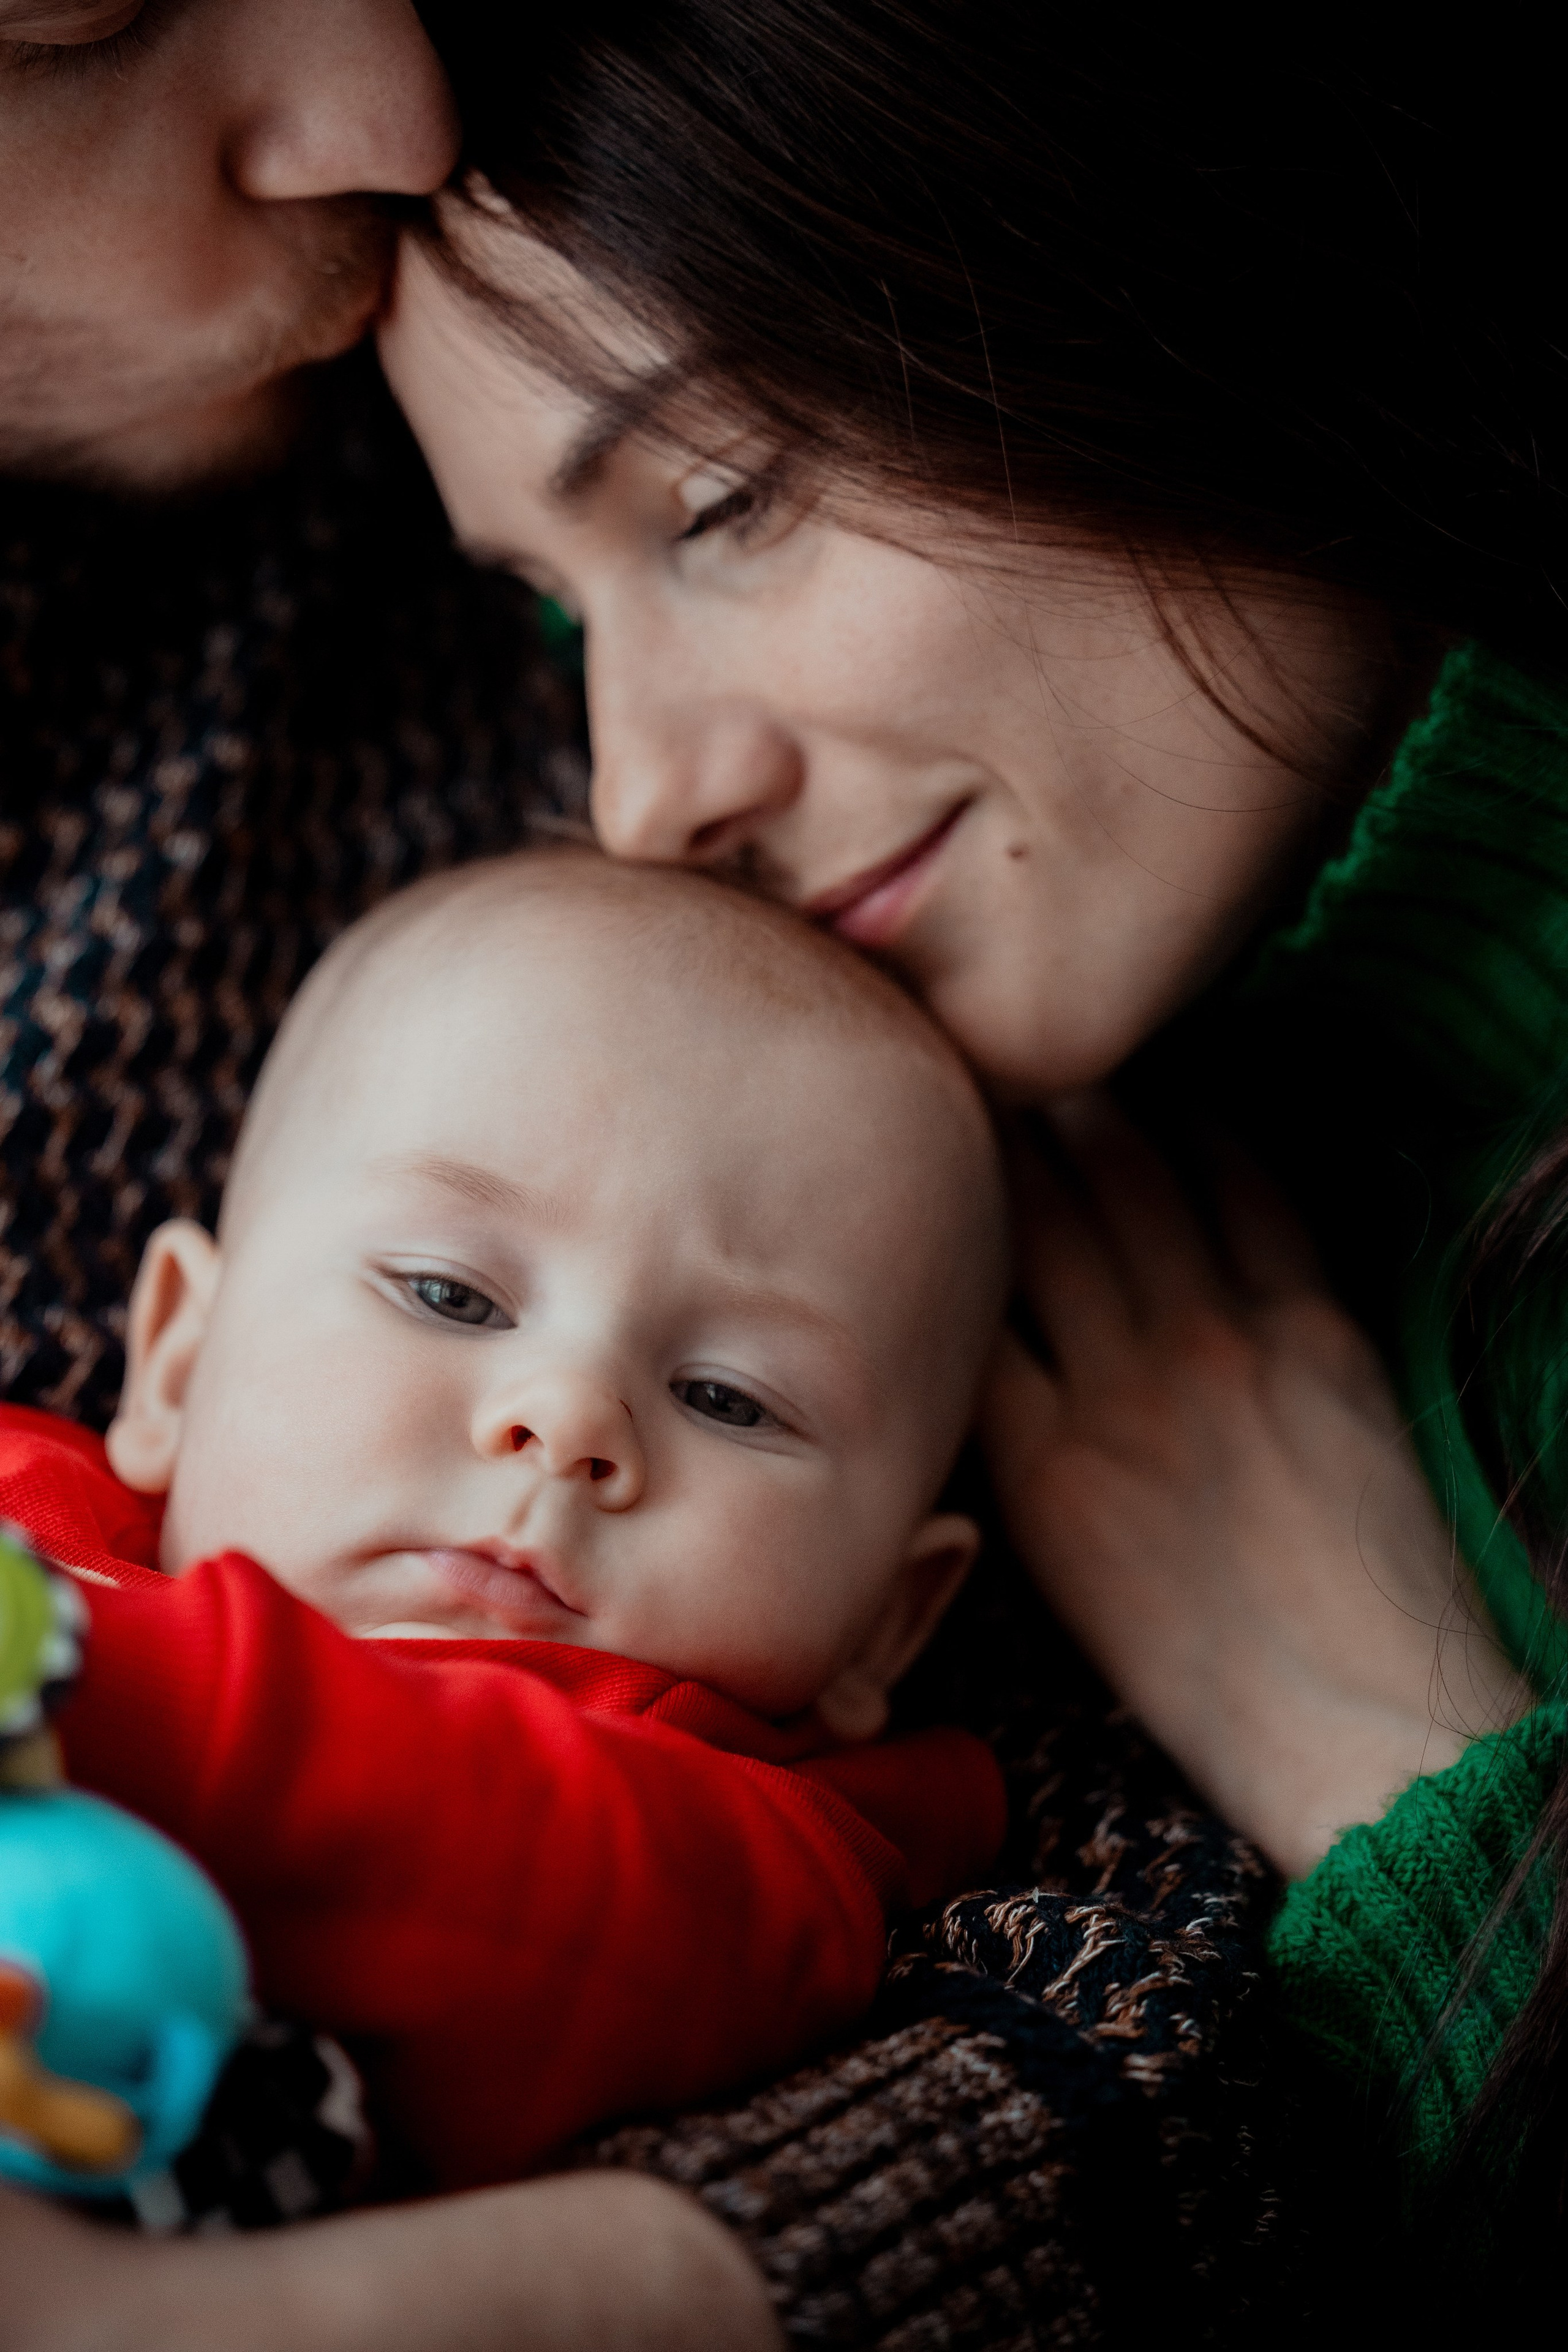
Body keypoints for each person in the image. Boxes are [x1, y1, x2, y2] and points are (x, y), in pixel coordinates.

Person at [379, 7, 1568, 2323]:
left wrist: (1397, 1778)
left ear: (1163, 226)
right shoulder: (1027, 1269)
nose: (643, 798)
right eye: (554, 611)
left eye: (719, 502)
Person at [1, 6, 786, 2346]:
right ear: (171, 1345)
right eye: (75, 13)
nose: (393, 112)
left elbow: (1128, 2028)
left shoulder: (540, 767)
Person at [4, 848, 1007, 2186]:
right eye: (449, 1296)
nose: (570, 1416)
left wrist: (58, 1663)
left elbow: (494, 1859)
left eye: (727, 1395)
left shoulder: (752, 1866)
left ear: (887, 1617)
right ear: (180, 1360)